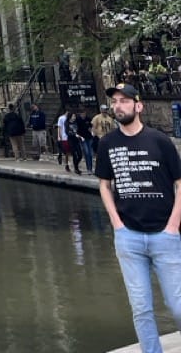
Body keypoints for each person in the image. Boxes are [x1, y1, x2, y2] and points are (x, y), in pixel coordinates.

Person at [96, 82, 181, 353]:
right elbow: (104, 185)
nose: (118, 106)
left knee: (178, 304)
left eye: (124, 101)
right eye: (115, 102)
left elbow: (180, 183)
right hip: (129, 237)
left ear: (138, 106)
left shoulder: (159, 140)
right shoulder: (107, 143)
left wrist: (173, 225)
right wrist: (117, 224)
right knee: (141, 308)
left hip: (164, 235)